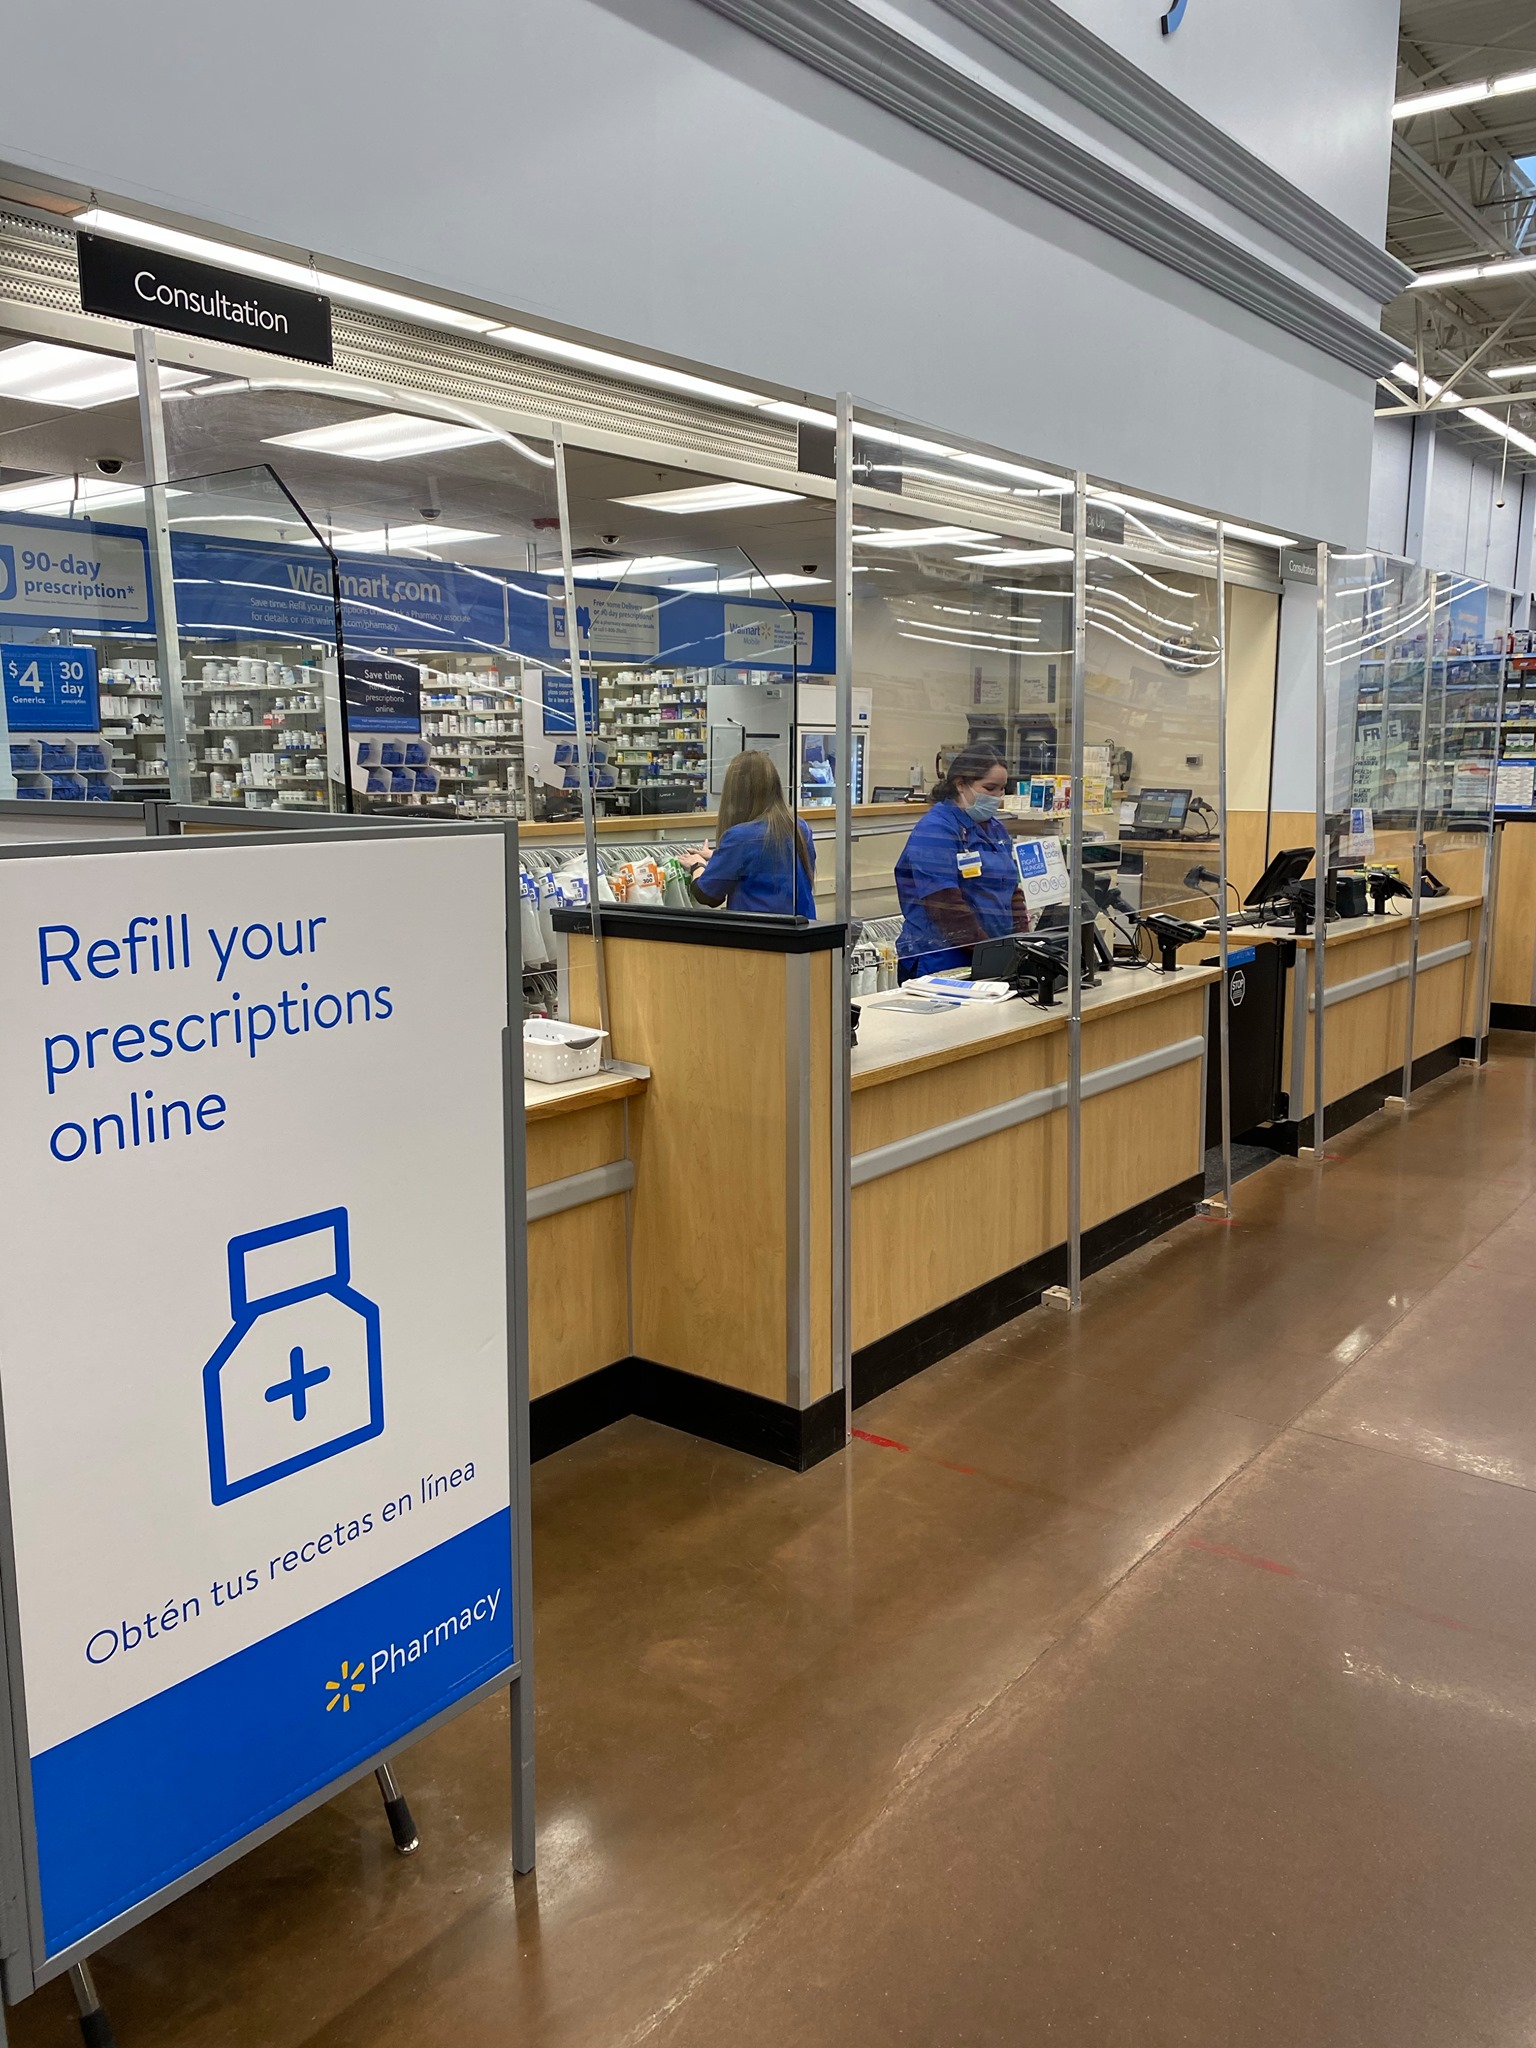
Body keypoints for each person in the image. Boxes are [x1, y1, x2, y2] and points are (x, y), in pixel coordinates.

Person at [895, 744, 1028, 979]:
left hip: (993, 952)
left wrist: (1022, 943)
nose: (997, 797)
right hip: (942, 957)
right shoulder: (935, 830)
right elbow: (945, 905)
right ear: (960, 784)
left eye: (1002, 789)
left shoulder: (995, 829)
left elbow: (1012, 890)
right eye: (990, 788)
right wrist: (991, 954)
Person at [683, 750, 816, 917]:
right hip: (804, 927)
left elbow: (708, 895)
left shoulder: (740, 837)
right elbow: (772, 865)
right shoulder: (800, 828)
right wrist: (718, 856)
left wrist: (697, 865)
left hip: (760, 930)